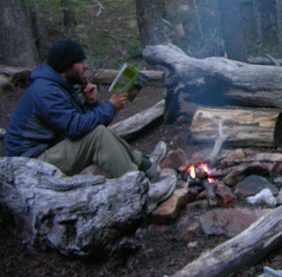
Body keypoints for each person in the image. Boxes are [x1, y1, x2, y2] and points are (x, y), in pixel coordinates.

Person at [4, 38, 176, 208]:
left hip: (44, 153)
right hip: (29, 167)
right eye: (80, 61)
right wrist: (110, 107)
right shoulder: (46, 91)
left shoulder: (57, 86)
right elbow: (76, 128)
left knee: (97, 132)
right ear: (66, 65)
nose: (85, 66)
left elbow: (83, 126)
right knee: (98, 137)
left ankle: (146, 166)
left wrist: (91, 102)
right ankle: (143, 192)